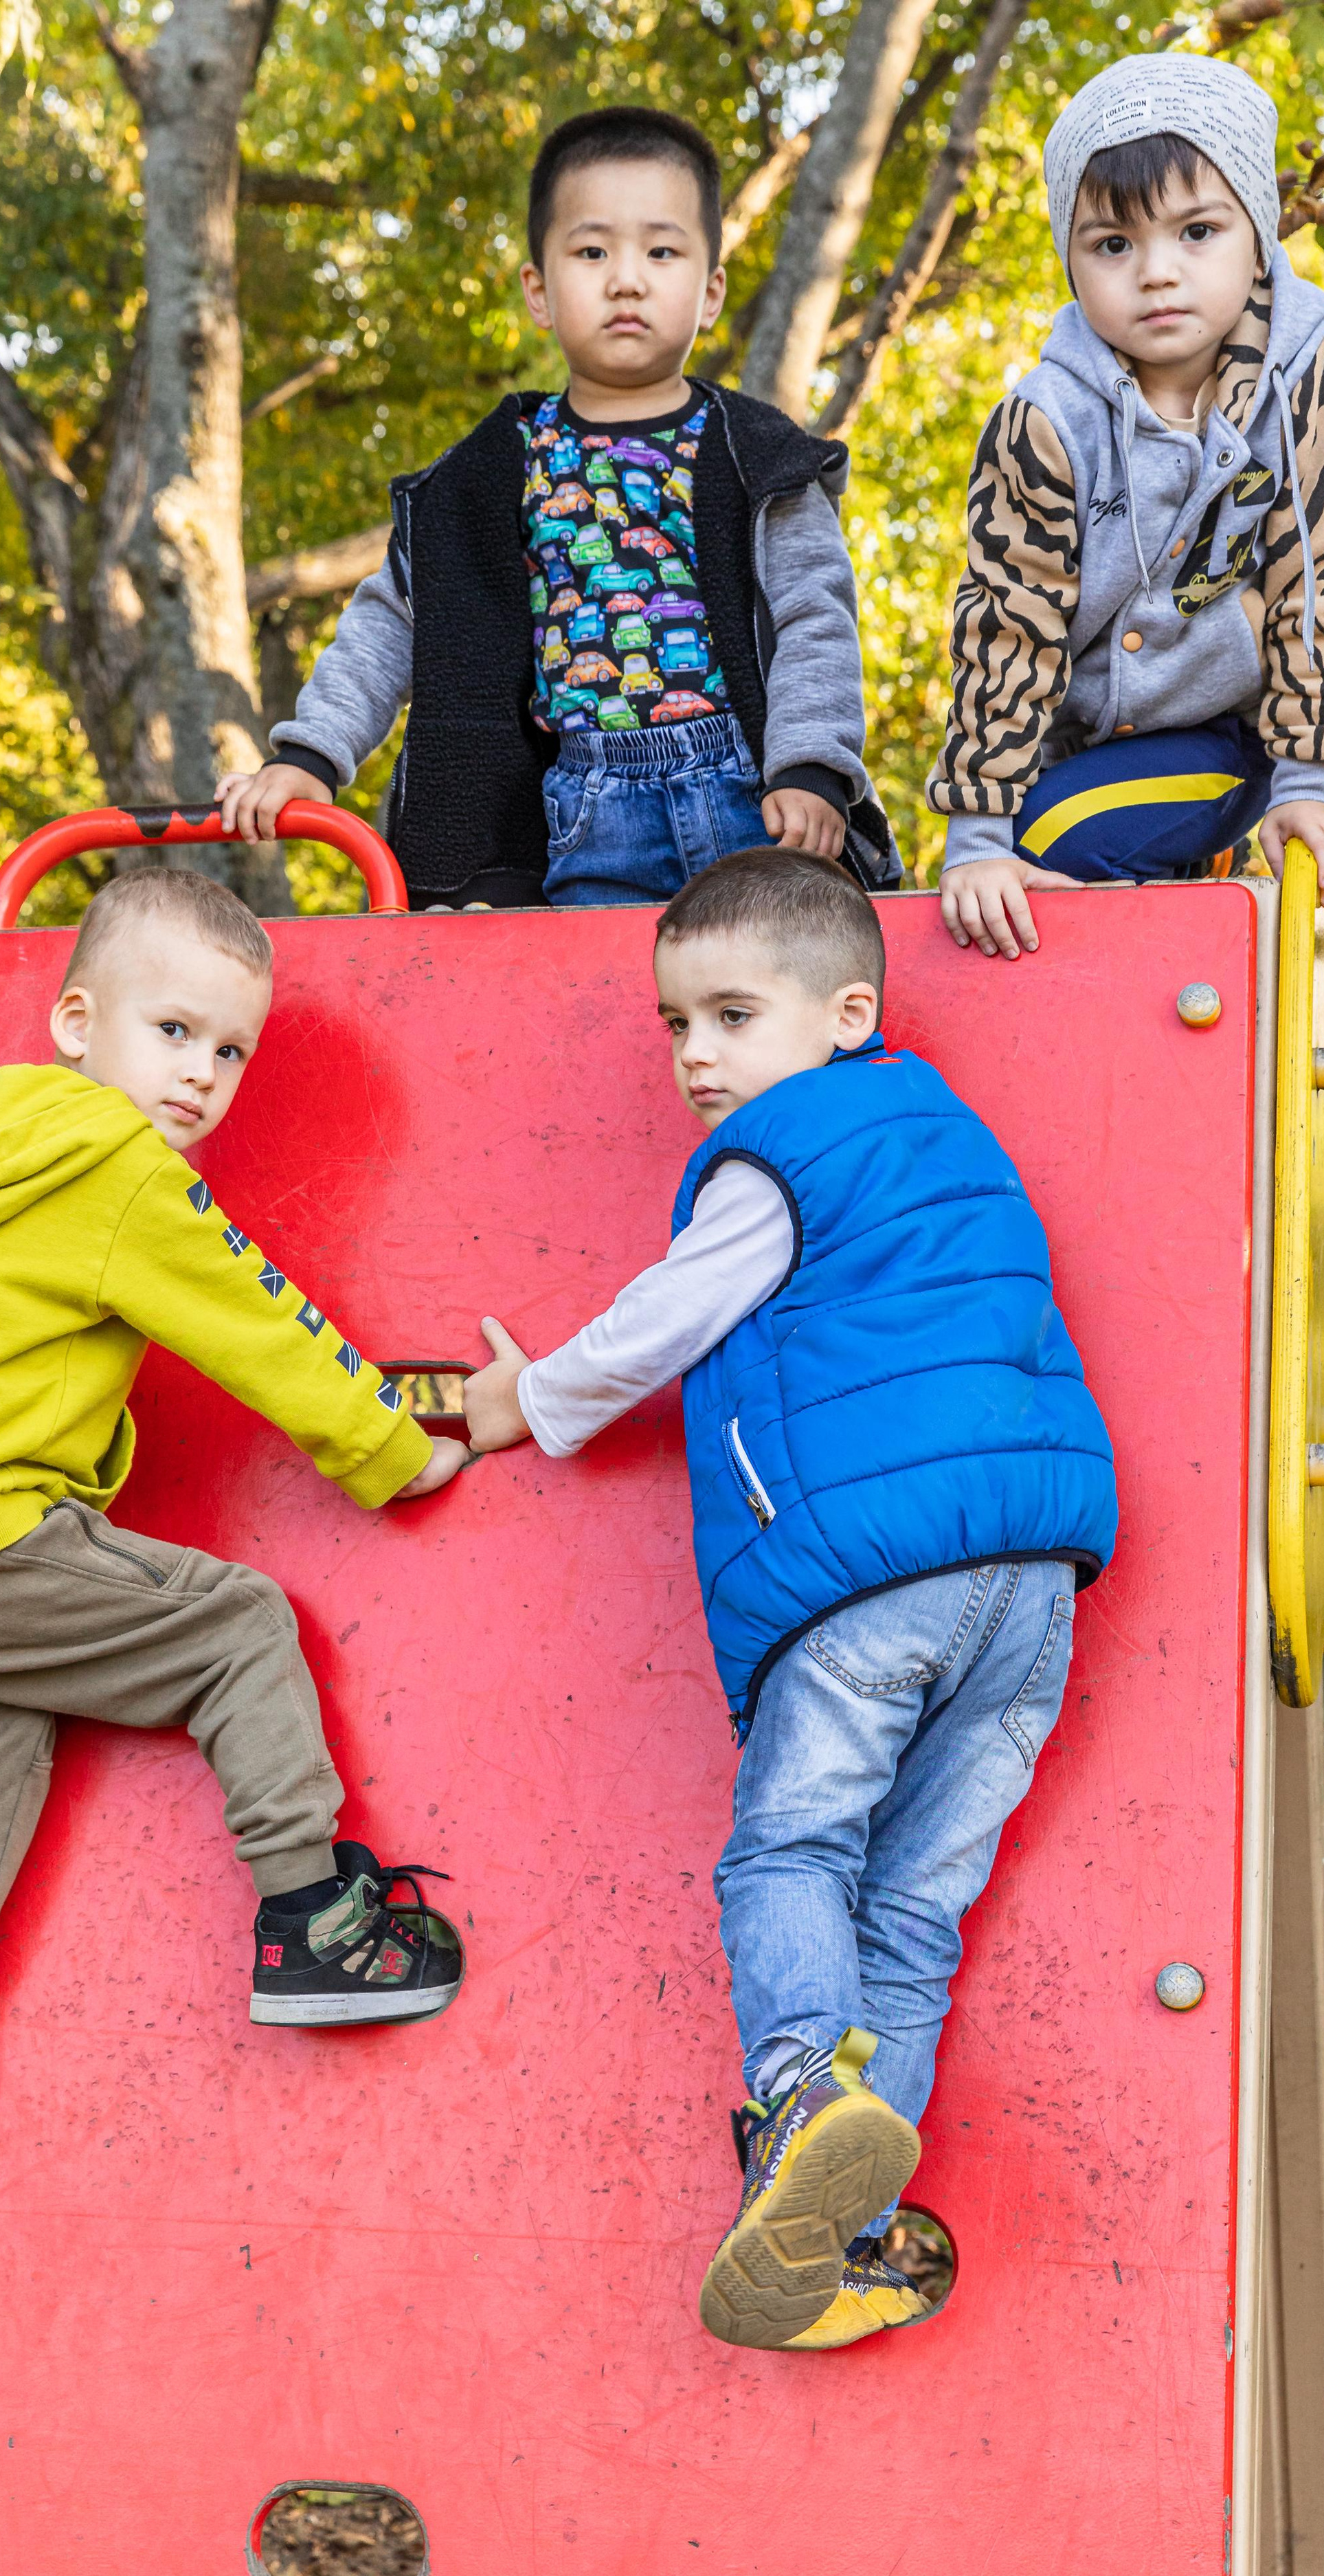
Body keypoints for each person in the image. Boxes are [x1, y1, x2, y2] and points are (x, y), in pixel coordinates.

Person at [462, 850, 1117, 2351]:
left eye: (730, 1016)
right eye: (675, 1024)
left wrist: (528, 1400)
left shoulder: (781, 1154)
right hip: (1029, 1590)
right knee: (914, 1904)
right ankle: (842, 2234)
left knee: (783, 1853)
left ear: (844, 1014)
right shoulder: (943, 1133)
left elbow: (668, 1317)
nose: (697, 1055)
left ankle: (802, 2092)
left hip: (867, 1583)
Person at [0, 867, 468, 2270]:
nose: (204, 1078)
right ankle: (313, 1918)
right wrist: (394, 1451)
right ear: (76, 1020)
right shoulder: (120, 1168)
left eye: (229, 1051)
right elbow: (260, 1324)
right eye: (174, 1034)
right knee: (234, 1627)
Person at [216, 107, 896, 910]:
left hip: (751, 793)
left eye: (662, 250)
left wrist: (812, 768)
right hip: (589, 807)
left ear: (710, 292)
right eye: (592, 250)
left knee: (781, 1000)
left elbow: (815, 616)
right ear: (538, 291)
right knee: (596, 1014)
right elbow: (397, 618)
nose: (627, 278)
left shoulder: (754, 454)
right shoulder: (495, 467)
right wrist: (311, 756)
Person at [929, 53, 1324, 961]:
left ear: (1258, 236)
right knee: (993, 869)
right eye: (1113, 245)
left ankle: (1165, 921)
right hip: (1091, 735)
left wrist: (1310, 781)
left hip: (1239, 728)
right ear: (1071, 260)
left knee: (1054, 834)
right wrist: (975, 836)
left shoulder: (1306, 372)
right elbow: (1009, 622)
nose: (1157, 274)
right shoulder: (1047, 418)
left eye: (1197, 232)